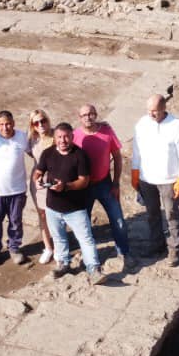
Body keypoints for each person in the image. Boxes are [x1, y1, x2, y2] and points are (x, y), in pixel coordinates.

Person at [33, 122, 100, 284]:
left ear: (72, 137)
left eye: (66, 137)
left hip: (76, 208)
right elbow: (38, 171)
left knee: (86, 239)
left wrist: (66, 186)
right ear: (55, 138)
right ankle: (63, 264)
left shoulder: (80, 155)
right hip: (52, 207)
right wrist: (37, 180)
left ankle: (94, 268)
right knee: (58, 238)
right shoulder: (48, 153)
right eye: (59, 137)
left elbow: (84, 181)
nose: (63, 140)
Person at [132, 93, 179, 265]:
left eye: (155, 111)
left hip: (168, 178)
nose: (151, 114)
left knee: (171, 214)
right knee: (152, 214)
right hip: (147, 178)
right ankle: (156, 245)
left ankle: (174, 248)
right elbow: (137, 149)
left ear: (164, 109)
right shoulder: (142, 124)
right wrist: (135, 171)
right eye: (149, 110)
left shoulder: (176, 126)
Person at [75, 103, 134, 271]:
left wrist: (116, 183)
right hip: (84, 187)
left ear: (96, 114)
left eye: (91, 114)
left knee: (118, 221)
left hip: (104, 183)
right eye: (84, 115)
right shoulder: (74, 136)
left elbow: (117, 157)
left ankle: (123, 252)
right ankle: (89, 257)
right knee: (83, 224)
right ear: (80, 118)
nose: (88, 117)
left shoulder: (106, 131)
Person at [0, 110, 33, 265]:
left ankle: (14, 248)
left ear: (13, 123)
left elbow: (34, 153)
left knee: (15, 221)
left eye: (7, 123)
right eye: (1, 124)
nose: (5, 127)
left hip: (17, 190)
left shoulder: (22, 137)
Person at [27, 109, 57, 264]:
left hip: (56, 180)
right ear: (32, 125)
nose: (40, 124)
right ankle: (48, 247)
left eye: (43, 120)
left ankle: (59, 248)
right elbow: (32, 156)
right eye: (36, 122)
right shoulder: (32, 139)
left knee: (58, 214)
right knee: (42, 215)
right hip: (38, 181)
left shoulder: (56, 135)